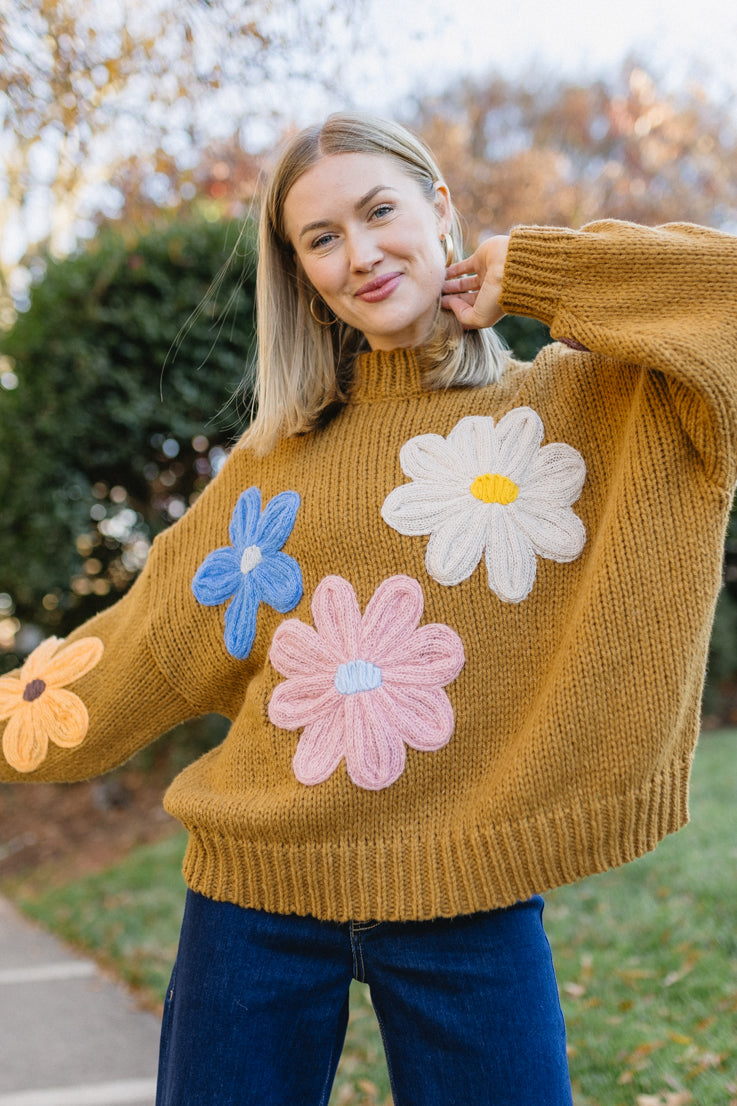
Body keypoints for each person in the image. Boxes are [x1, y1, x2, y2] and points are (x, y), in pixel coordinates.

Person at [1, 111, 736, 1106]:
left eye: (378, 210)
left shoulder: (576, 413)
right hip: (251, 901)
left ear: (438, 207)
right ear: (300, 272)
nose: (359, 255)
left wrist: (539, 271)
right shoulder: (273, 464)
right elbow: (140, 647)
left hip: (468, 891)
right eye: (321, 238)